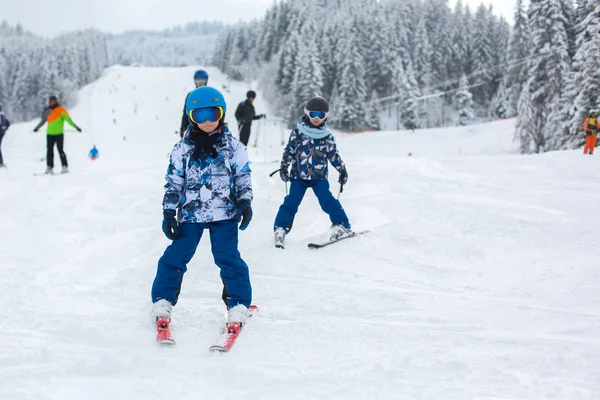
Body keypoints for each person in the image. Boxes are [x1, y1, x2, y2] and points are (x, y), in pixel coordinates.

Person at [151, 86, 254, 329]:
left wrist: (245, 201)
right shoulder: (182, 149)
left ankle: (238, 304)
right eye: (200, 115)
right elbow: (174, 181)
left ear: (222, 113)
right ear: (190, 116)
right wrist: (168, 211)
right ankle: (163, 300)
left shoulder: (234, 147)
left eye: (212, 114)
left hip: (225, 213)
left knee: (228, 258)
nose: (207, 121)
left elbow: (243, 177)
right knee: (175, 257)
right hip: (191, 214)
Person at [273, 96, 350, 248]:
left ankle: (341, 224)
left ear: (325, 116)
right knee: (291, 203)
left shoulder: (327, 137)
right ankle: (280, 229)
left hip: (319, 177)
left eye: (320, 115)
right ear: (307, 113)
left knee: (327, 201)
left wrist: (341, 169)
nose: (316, 118)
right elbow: (289, 151)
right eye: (313, 114)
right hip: (298, 176)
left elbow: (333, 155)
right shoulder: (298, 133)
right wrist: (284, 166)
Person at [33, 95, 82, 174]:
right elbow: (43, 121)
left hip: (59, 134)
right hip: (50, 134)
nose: (51, 102)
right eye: (50, 101)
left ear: (56, 101)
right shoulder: (47, 110)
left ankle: (64, 166)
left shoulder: (61, 109)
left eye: (53, 101)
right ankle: (49, 167)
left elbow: (68, 120)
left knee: (60, 150)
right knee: (49, 151)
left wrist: (76, 127)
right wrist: (37, 128)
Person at [179, 70, 209, 137]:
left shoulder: (210, 94)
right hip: (193, 129)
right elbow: (186, 113)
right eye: (198, 81)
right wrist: (183, 128)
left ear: (206, 81)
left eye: (202, 81)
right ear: (195, 81)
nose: (200, 83)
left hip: (208, 127)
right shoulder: (191, 95)